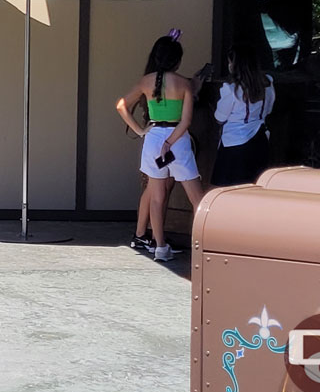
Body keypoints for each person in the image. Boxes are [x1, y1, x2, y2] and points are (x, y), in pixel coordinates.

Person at [116, 34, 205, 261]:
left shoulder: (146, 81)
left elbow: (121, 105)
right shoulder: (184, 84)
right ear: (177, 61)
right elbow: (186, 122)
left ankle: (160, 247)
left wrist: (139, 130)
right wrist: (170, 142)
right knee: (197, 199)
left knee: (156, 196)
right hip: (178, 140)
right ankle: (201, 247)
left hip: (153, 137)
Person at [210, 44, 275, 186]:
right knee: (255, 186)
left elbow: (219, 118)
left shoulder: (231, 89)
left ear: (235, 65)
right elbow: (269, 110)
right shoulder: (268, 83)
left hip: (234, 144)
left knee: (230, 189)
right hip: (260, 140)